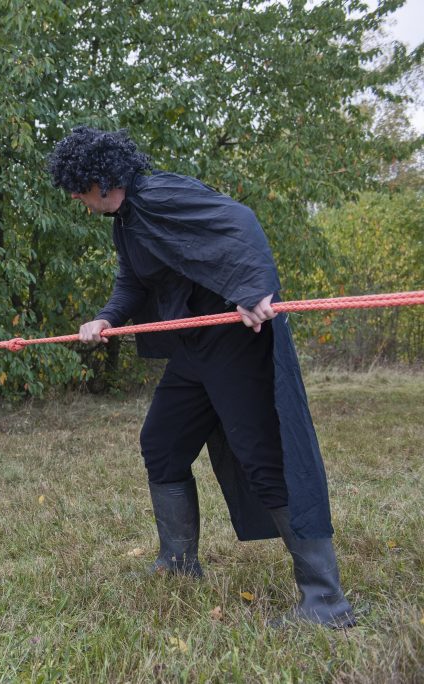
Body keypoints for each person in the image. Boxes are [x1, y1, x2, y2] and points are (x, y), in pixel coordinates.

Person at [47, 126, 355, 628]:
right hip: (193, 349)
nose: (77, 201)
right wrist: (106, 318)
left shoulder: (160, 193)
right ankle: (178, 563)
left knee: (265, 459)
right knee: (162, 443)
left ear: (98, 181)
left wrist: (253, 289)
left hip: (234, 342)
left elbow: (240, 222)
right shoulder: (126, 221)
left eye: (78, 192)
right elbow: (132, 280)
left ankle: (325, 602)